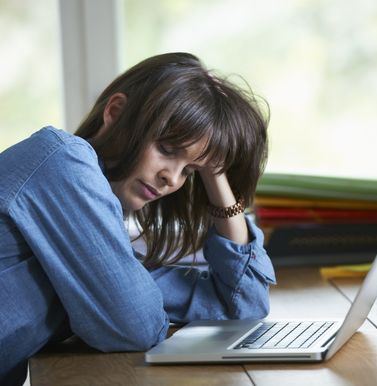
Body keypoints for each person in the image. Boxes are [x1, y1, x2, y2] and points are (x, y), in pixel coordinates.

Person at [0, 52, 276, 385]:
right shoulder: (61, 161)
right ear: (115, 113)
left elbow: (242, 307)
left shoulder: (95, 247)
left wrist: (214, 173)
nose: (172, 179)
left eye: (189, 171)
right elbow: (135, 327)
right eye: (167, 149)